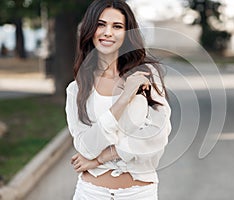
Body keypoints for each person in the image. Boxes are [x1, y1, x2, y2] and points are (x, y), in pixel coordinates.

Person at [65, 0, 172, 199]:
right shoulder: (77, 89)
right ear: (91, 30)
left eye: (117, 26)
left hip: (139, 193)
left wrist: (101, 158)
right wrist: (123, 99)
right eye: (101, 24)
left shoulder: (147, 75)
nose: (108, 32)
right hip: (90, 193)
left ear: (127, 33)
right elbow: (85, 147)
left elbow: (156, 137)